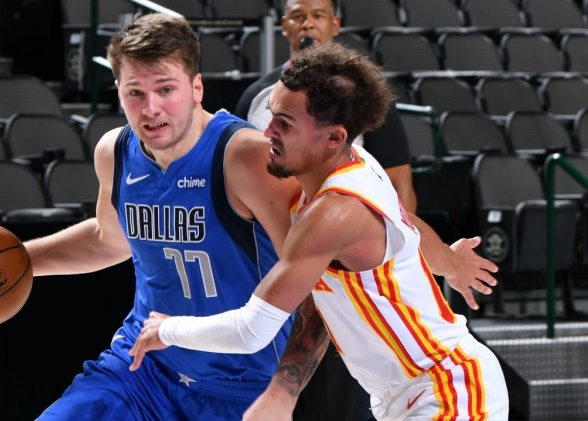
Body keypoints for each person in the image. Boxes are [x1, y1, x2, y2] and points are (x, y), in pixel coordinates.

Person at [25, 12, 495, 421]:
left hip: (434, 382)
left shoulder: (304, 194)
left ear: (196, 88)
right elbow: (403, 223)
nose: (266, 131)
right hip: (149, 370)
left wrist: (277, 389)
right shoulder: (346, 177)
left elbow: (259, 324)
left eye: (282, 123)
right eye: (135, 92)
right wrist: (451, 263)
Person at [235, 0, 417, 214]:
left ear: (335, 24)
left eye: (318, 16)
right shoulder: (255, 96)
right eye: (298, 17)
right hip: (272, 220)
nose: (307, 24)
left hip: (346, 218)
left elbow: (398, 182)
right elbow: (238, 173)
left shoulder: (362, 94)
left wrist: (400, 234)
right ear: (284, 26)